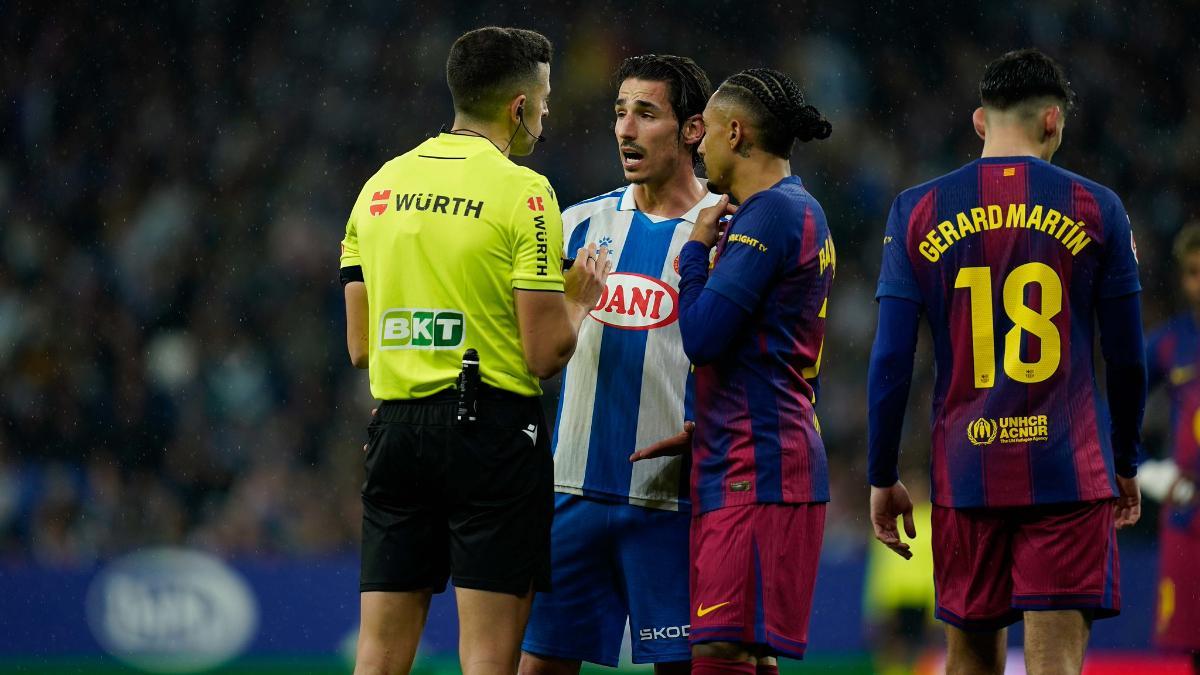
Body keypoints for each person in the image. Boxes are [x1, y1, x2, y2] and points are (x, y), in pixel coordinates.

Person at [338, 26, 609, 675]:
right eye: (544, 100)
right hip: (490, 436)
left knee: (377, 655)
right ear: (519, 106)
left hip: (397, 430)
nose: (546, 116)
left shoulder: (380, 186)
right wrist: (580, 298)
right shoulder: (525, 192)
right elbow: (544, 354)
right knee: (488, 660)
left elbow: (358, 346)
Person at [867, 48, 1144, 675]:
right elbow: (1126, 358)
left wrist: (883, 473)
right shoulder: (1098, 207)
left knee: (969, 661)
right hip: (1069, 473)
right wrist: (1125, 458)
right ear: (1053, 121)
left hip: (967, 472)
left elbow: (890, 359)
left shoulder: (916, 210)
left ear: (978, 122)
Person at [519, 54, 717, 675]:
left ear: (693, 130)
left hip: (672, 506)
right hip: (570, 498)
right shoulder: (575, 225)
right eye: (620, 113)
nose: (625, 129)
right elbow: (529, 352)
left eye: (646, 113)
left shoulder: (726, 231)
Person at [637, 67, 834, 675]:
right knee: (746, 650)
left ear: (737, 132)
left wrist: (694, 249)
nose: (699, 146)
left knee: (721, 650)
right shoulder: (795, 211)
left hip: (759, 465)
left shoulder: (771, 214)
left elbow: (702, 336)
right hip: (753, 454)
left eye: (709, 134)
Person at [1144, 222, 1200, 674]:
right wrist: (1144, 470)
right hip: (1191, 517)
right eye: (1193, 272)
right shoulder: (1170, 342)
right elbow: (1112, 411)